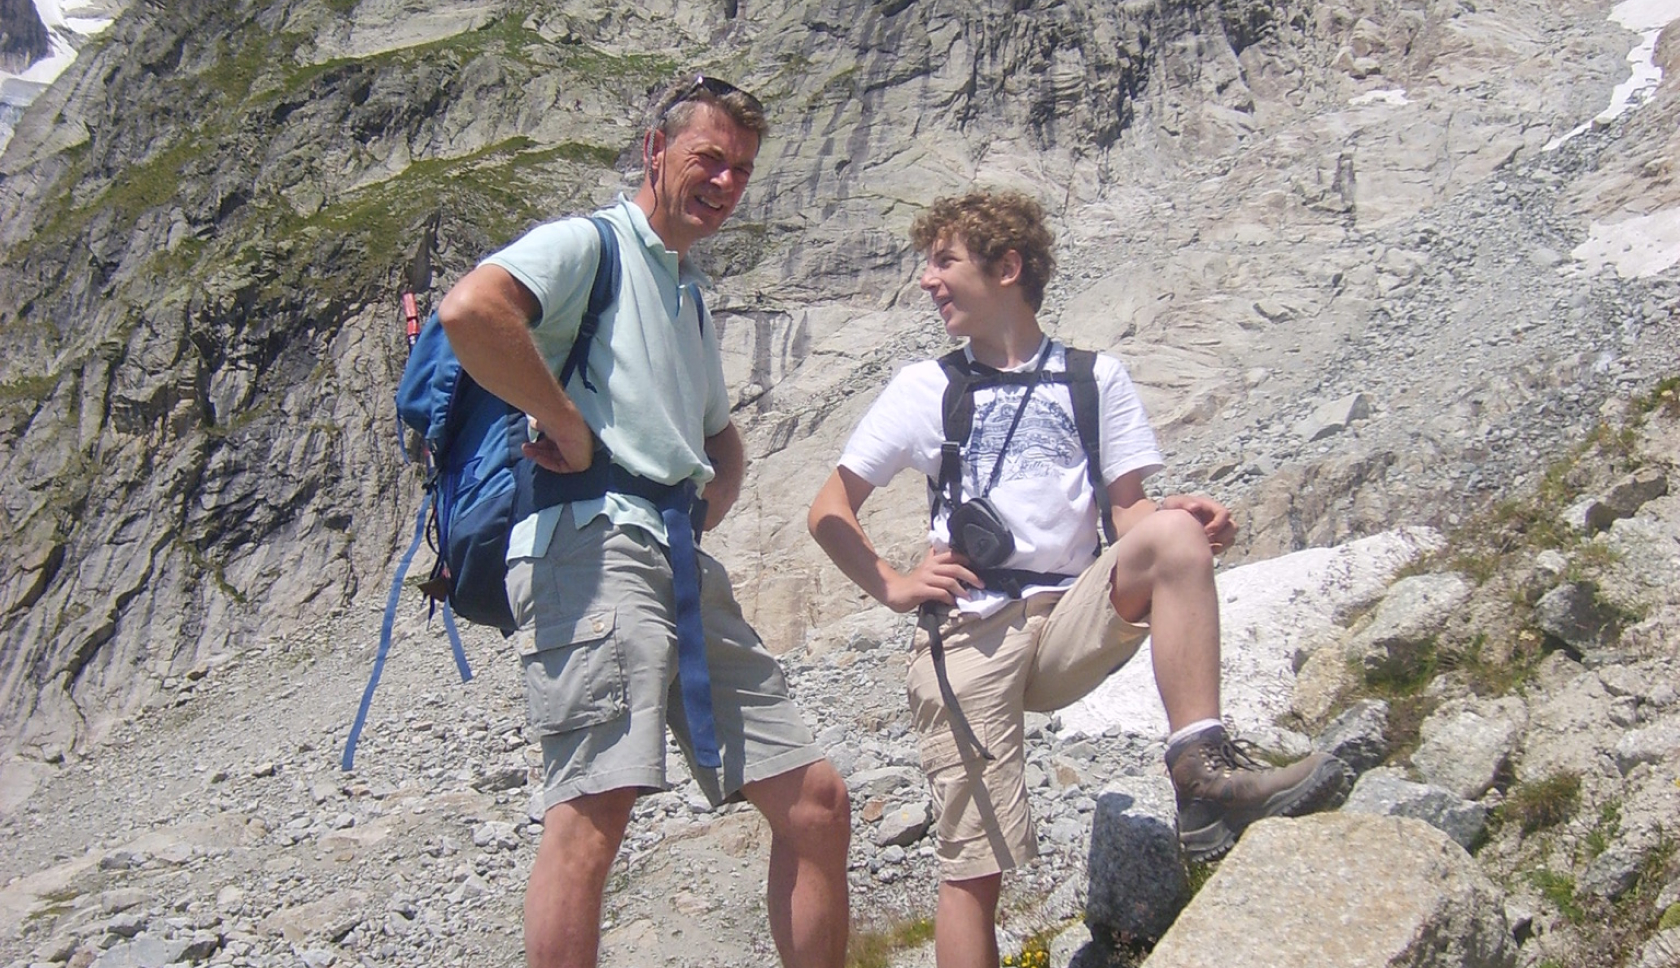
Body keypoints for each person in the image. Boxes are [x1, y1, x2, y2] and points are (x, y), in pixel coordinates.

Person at [807, 189, 1351, 968]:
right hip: (969, 634)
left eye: (944, 261)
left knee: (1172, 537)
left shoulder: (1097, 380)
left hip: (1071, 617)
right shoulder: (923, 388)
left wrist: (1182, 526)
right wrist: (894, 583)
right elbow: (830, 507)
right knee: (974, 868)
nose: (927, 281)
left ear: (1007, 268)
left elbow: (1129, 514)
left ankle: (1201, 777)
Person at [435, 76, 850, 968]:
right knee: (594, 808)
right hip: (585, 543)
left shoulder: (686, 291)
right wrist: (571, 425)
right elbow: (471, 310)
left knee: (815, 801)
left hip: (671, 552)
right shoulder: (591, 244)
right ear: (656, 151)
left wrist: (705, 503)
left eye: (741, 169)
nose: (727, 183)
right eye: (709, 159)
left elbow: (718, 436)